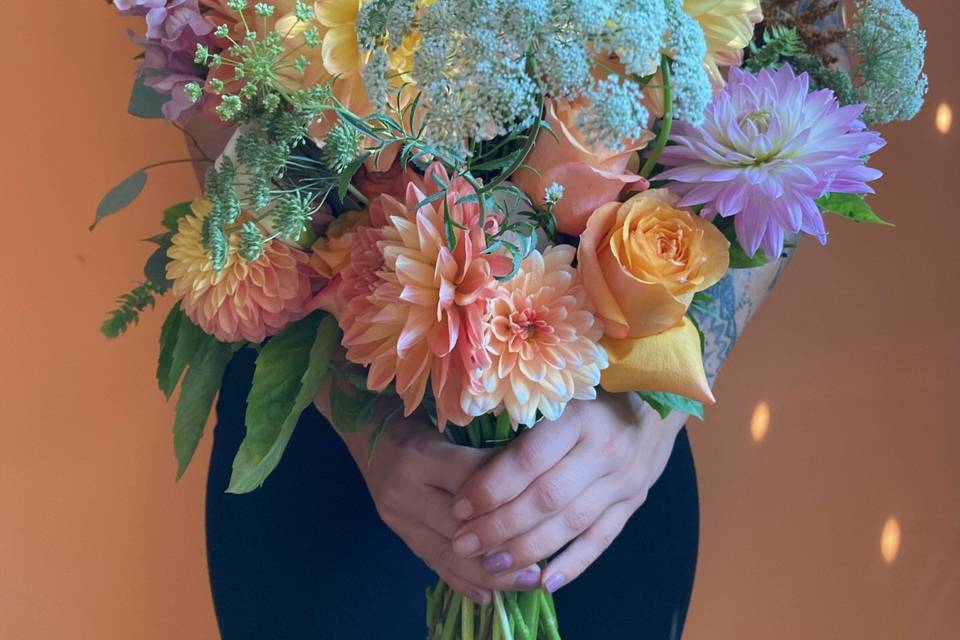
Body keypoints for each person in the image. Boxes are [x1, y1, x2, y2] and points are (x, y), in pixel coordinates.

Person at [205, 242, 791, 638]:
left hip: (601, 460)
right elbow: (217, 109)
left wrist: (653, 405)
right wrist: (361, 419)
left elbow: (818, 99)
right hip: (327, 422)